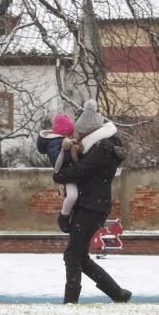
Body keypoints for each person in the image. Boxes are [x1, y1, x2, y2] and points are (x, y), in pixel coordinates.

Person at [53, 99, 131, 304]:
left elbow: (81, 171)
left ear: (88, 132)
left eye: (80, 134)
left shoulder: (102, 149)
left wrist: (58, 175)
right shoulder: (103, 146)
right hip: (92, 205)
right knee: (80, 257)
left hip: (92, 207)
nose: (78, 137)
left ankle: (71, 300)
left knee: (72, 255)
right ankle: (118, 293)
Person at [36, 113, 80, 232]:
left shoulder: (60, 140)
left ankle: (70, 214)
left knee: (75, 196)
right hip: (66, 174)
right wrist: (69, 151)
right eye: (69, 133)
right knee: (72, 195)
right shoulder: (54, 142)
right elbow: (57, 160)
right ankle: (64, 216)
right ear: (64, 132)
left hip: (71, 172)